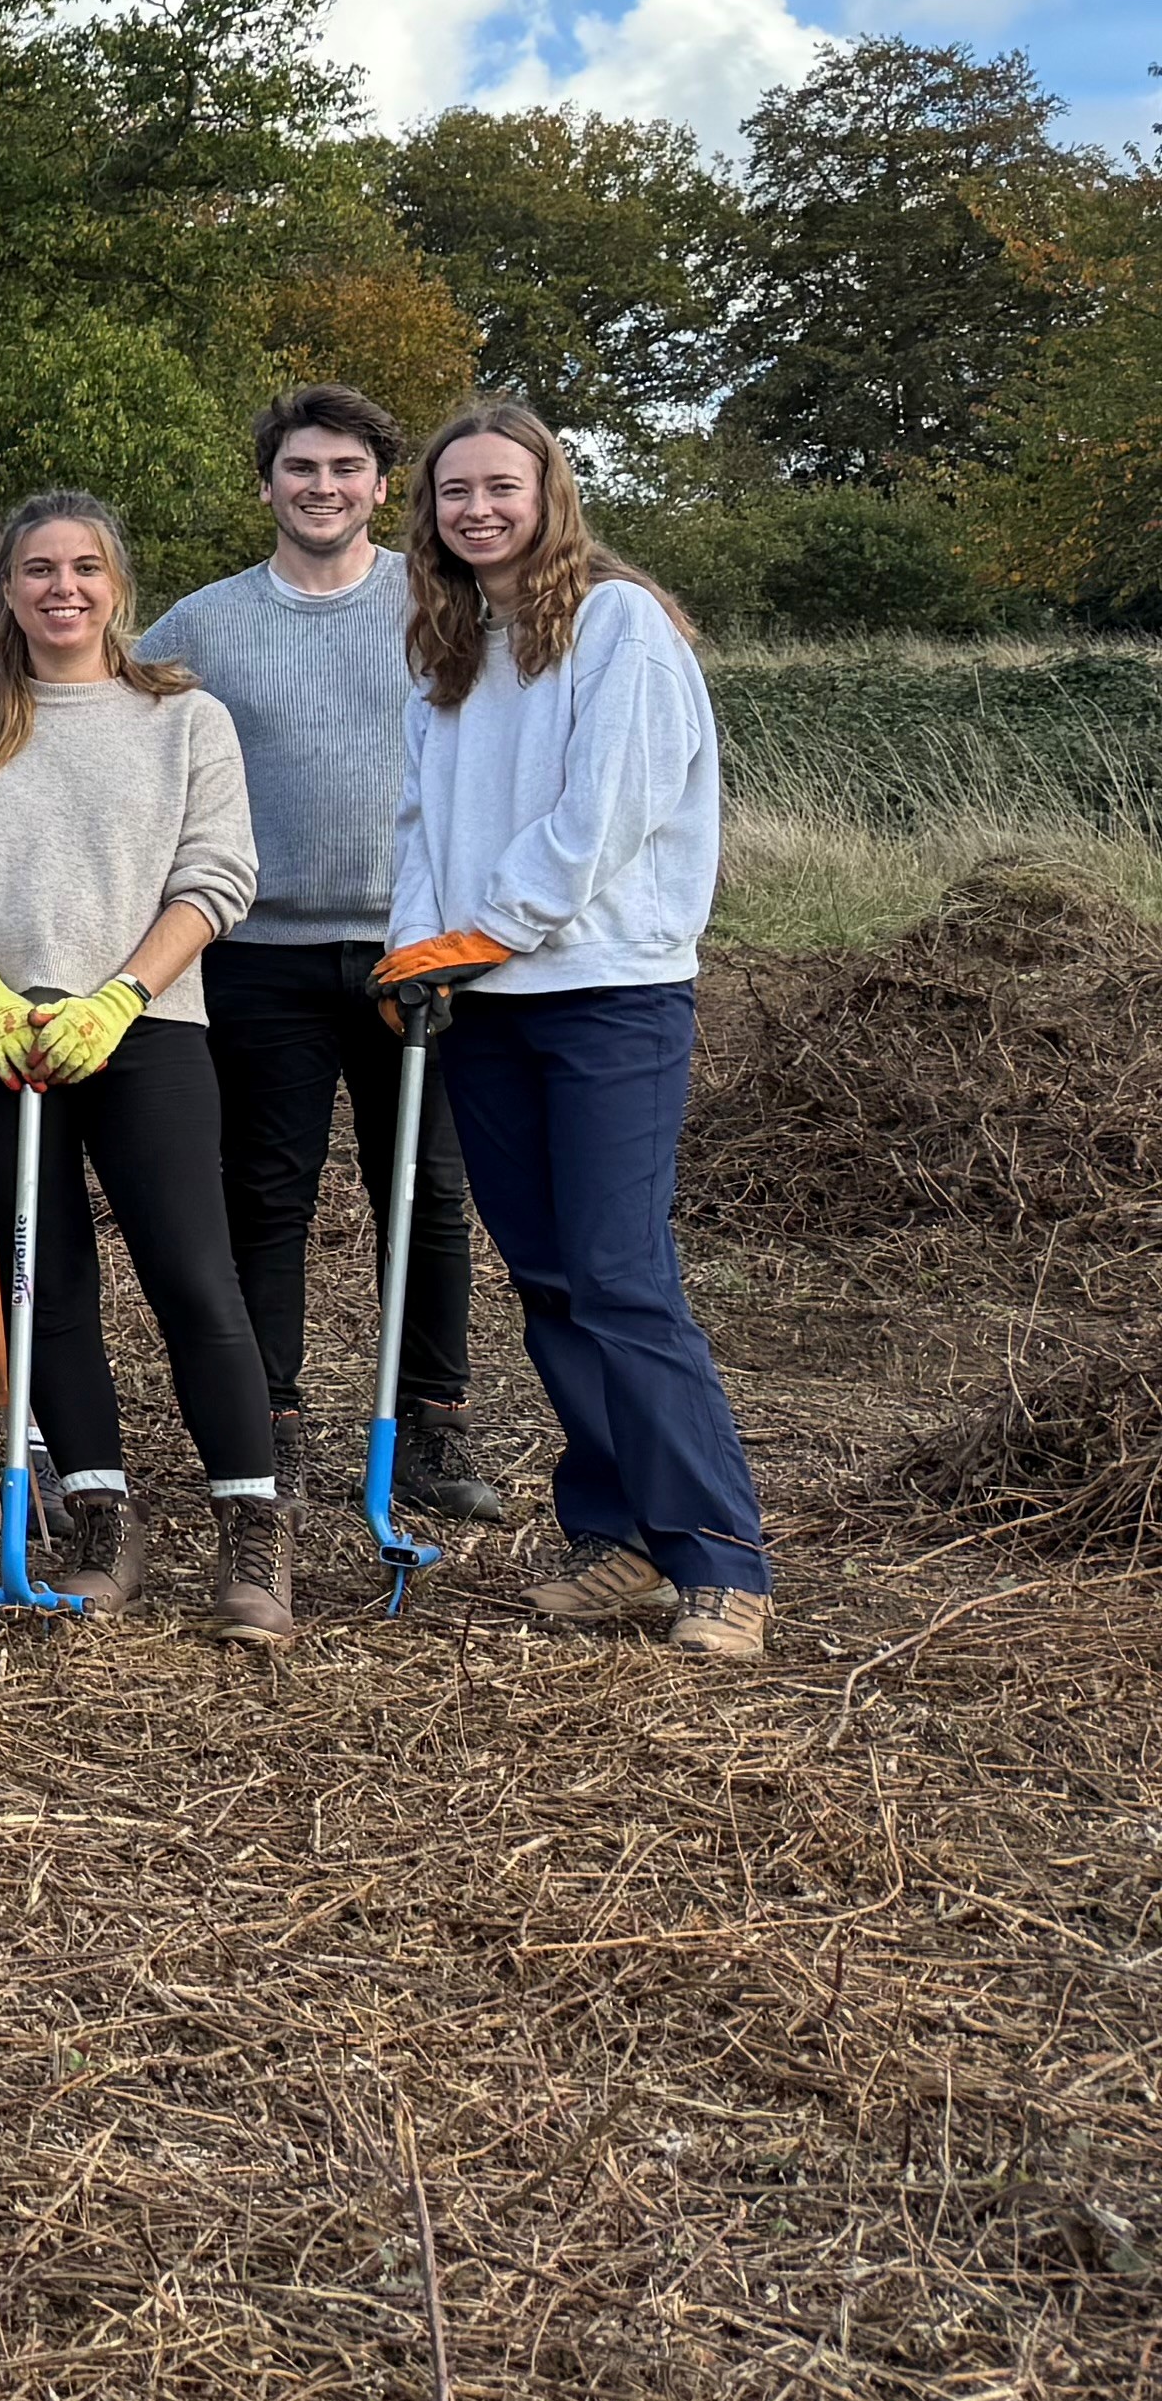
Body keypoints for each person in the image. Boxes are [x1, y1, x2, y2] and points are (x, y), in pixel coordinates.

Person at [387, 395, 766, 1661]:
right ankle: (622, 1546)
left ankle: (721, 1560)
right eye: (454, 492)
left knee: (620, 1276)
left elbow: (601, 819)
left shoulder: (616, 627)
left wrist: (486, 928)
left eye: (502, 486)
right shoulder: (448, 645)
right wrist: (413, 947)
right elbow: (421, 823)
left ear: (550, 493)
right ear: (429, 514)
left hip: (609, 993)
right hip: (485, 1003)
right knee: (547, 1280)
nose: (478, 508)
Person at [0, 495, 288, 1634]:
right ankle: (101, 1514)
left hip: (146, 1028)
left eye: (84, 569)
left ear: (117, 582)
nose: (61, 589)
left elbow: (217, 875)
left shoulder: (184, 719)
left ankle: (252, 1524)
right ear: (7, 588)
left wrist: (123, 994)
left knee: (192, 1276)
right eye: (36, 571)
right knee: (47, 1282)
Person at [144, 387, 503, 1529]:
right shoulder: (201, 627)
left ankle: (434, 1426)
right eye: (301, 468)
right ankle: (272, 1428)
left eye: (346, 469)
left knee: (429, 1192)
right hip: (260, 951)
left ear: (380, 488)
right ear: (266, 485)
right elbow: (108, 716)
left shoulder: (439, 608)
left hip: (420, 952)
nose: (322, 488)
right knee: (266, 1195)